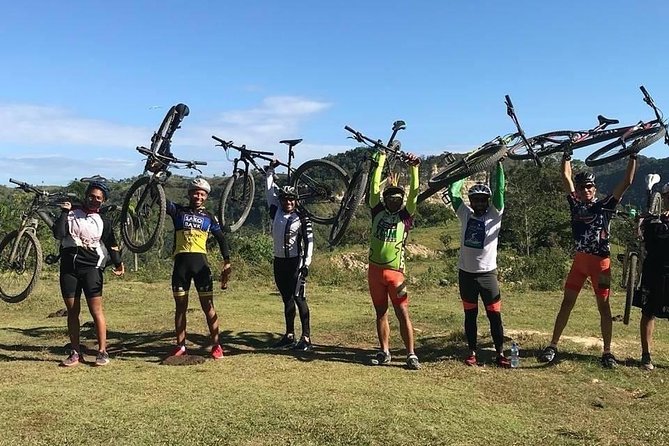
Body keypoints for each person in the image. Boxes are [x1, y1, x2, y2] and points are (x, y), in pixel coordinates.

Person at [539, 150, 637, 368]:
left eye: (589, 187)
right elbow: (565, 177)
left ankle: (607, 352)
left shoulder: (605, 205)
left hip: (601, 264)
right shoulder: (575, 203)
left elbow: (627, 181)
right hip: (580, 262)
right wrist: (566, 155)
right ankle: (553, 345)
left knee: (604, 307)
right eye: (582, 187)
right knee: (567, 303)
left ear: (595, 188)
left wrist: (633, 157)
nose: (585, 190)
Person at [54, 180, 125, 367]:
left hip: (91, 267)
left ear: (103, 201)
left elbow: (112, 243)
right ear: (86, 196)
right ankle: (75, 352)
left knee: (96, 311)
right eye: (92, 196)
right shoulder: (71, 213)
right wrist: (64, 212)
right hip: (69, 268)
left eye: (99, 198)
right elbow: (59, 234)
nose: (94, 200)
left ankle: (102, 351)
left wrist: (118, 263)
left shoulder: (104, 221)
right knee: (72, 311)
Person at [448, 162, 510, 368]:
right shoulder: (464, 213)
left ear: (488, 201)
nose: (480, 203)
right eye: (476, 200)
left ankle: (500, 353)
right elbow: (453, 191)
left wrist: (499, 164)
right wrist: (467, 171)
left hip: (487, 276)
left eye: (484, 200)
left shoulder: (495, 213)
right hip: (466, 275)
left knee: (494, 316)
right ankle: (472, 352)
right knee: (470, 315)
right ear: (471, 201)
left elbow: (500, 189)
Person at [166, 178, 231, 360]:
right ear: (189, 194)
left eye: (202, 194)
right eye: (195, 192)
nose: (198, 196)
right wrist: (154, 177)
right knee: (180, 307)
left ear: (206, 197)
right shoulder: (178, 210)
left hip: (200, 264)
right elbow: (158, 198)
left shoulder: (209, 217)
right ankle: (181, 345)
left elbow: (221, 239)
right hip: (181, 265)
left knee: (208, 306)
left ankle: (217, 344)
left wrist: (227, 261)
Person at [367, 150, 421, 370]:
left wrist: (414, 168)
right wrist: (379, 162)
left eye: (398, 196)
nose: (394, 199)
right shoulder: (377, 211)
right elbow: (372, 189)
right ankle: (384, 351)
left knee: (402, 312)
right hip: (374, 272)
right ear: (385, 198)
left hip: (396, 273)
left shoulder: (405, 216)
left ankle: (411, 354)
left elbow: (414, 194)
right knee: (381, 313)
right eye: (390, 195)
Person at [265, 162, 314, 351]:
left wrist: (306, 264)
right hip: (279, 261)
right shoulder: (275, 210)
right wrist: (270, 170)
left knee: (299, 298)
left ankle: (307, 338)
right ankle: (289, 335)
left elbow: (310, 241)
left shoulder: (302, 217)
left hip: (296, 262)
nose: (288, 202)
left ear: (296, 200)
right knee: (286, 298)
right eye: (285, 199)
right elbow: (269, 190)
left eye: (292, 200)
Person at [636, 182, 669, 370]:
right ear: (663, 198)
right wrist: (648, 220)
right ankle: (646, 355)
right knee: (648, 313)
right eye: (668, 196)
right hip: (654, 271)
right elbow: (642, 236)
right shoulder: (653, 219)